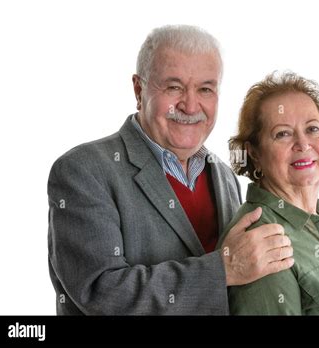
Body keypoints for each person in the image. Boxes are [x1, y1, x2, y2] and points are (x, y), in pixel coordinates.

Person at [47, 25, 294, 315]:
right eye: (174, 87)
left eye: (205, 89)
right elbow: (101, 293)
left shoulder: (224, 176)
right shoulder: (84, 171)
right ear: (139, 90)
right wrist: (223, 269)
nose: (190, 105)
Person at [219, 71, 319, 315]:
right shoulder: (263, 240)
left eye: (313, 129)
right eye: (282, 133)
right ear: (254, 152)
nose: (303, 144)